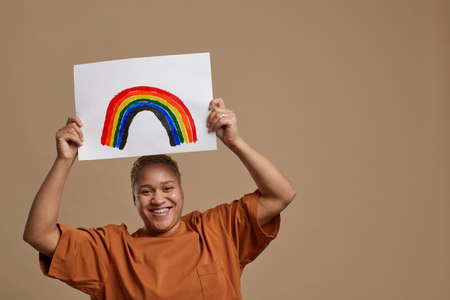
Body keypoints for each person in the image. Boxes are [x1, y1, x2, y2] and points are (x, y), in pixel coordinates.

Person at [23, 98, 296, 300]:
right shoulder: (112, 252)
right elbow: (39, 234)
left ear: (180, 190)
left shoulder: (218, 230)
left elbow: (281, 194)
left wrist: (235, 141)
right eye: (146, 191)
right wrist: (64, 160)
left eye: (167, 188)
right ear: (134, 199)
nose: (158, 199)